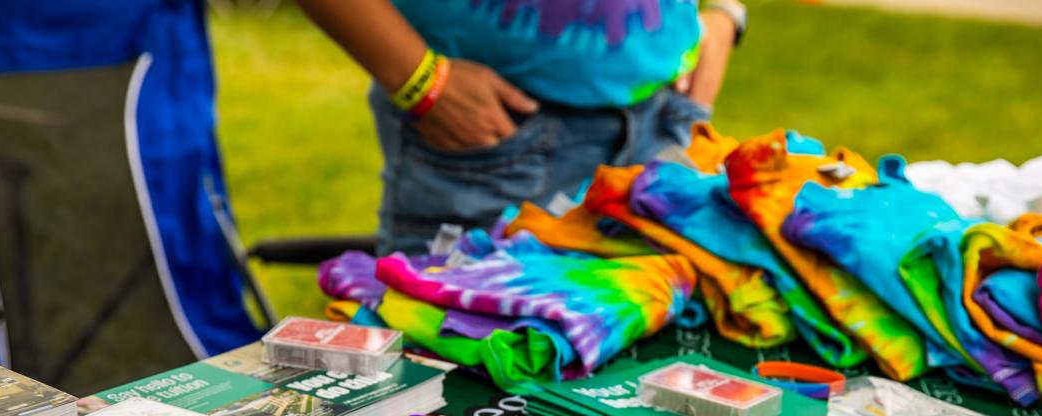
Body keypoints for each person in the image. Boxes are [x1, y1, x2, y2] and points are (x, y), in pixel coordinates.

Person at [298, 0, 747, 254]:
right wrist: (420, 80)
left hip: (663, 121)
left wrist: (724, 12)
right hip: (490, 141)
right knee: (462, 379)